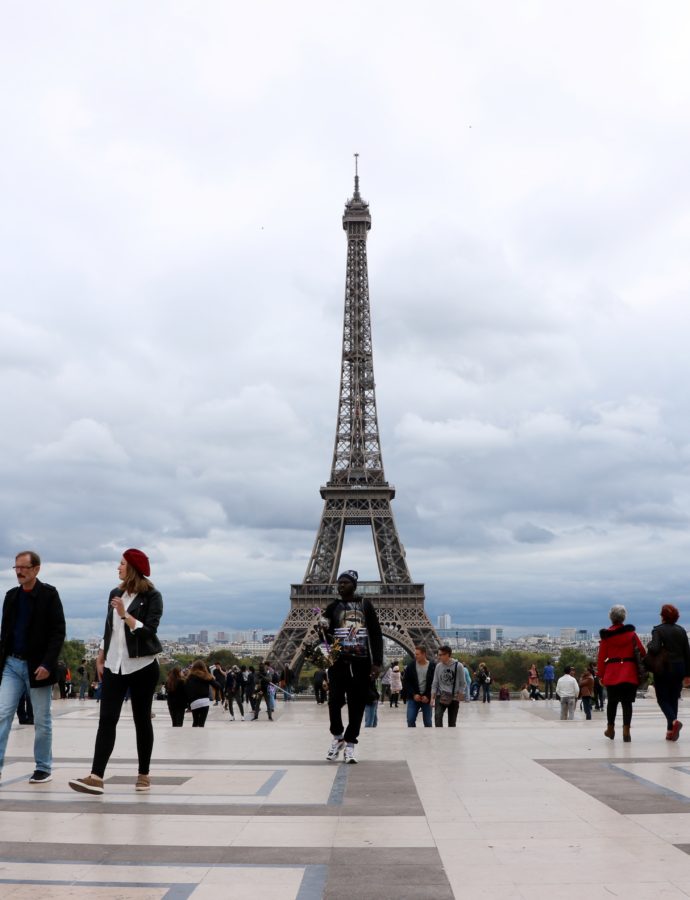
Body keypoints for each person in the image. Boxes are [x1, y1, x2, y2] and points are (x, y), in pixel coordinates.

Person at [69, 549, 162, 795]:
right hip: (114, 665)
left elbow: (149, 630)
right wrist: (100, 656)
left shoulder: (152, 596)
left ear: (131, 567)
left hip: (142, 666)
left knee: (142, 720)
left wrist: (125, 615)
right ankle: (96, 776)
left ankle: (143, 774)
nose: (118, 568)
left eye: (121, 564)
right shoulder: (115, 593)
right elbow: (109, 627)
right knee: (107, 720)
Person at [0, 550, 66, 784]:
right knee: (2, 714)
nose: (19, 572)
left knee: (41, 718)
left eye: (24, 568)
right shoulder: (11, 596)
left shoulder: (49, 595)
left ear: (36, 569)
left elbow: (58, 633)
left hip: (38, 667)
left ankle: (43, 767)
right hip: (12, 665)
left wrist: (48, 663)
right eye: (16, 567)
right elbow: (5, 633)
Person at [324, 570, 383, 764]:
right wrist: (321, 631)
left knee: (357, 706)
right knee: (334, 701)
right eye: (339, 582)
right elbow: (324, 638)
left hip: (361, 664)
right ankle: (337, 737)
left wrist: (377, 663)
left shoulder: (366, 606)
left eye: (345, 583)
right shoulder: (332, 607)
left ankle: (350, 744)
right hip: (338, 663)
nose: (341, 585)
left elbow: (375, 634)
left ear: (354, 585)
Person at [597, 604, 646, 742]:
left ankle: (611, 729)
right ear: (624, 617)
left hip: (612, 673)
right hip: (629, 672)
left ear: (611, 618)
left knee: (612, 703)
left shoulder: (606, 636)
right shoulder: (631, 634)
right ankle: (626, 731)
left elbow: (601, 657)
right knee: (627, 703)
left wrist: (600, 675)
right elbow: (642, 651)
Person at [647, 603, 690, 741]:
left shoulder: (658, 630)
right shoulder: (682, 631)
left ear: (663, 616)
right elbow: (687, 653)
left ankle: (673, 722)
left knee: (662, 699)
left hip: (664, 668)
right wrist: (688, 674)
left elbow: (654, 649)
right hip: (679, 668)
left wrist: (649, 645)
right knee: (673, 699)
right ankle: (670, 731)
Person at [402, 646, 436, 727]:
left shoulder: (432, 666)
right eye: (415, 654)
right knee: (410, 719)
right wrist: (414, 694)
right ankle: (413, 738)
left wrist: (428, 696)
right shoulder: (411, 666)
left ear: (424, 654)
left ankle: (427, 739)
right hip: (413, 698)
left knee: (428, 722)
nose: (415, 656)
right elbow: (406, 682)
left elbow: (435, 683)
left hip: (426, 699)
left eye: (417, 654)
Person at [431, 646, 463, 727]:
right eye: (438, 655)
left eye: (441, 655)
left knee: (452, 722)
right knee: (437, 717)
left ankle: (450, 739)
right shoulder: (438, 666)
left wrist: (460, 695)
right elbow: (435, 682)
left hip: (454, 696)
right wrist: (432, 697)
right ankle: (439, 737)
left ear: (448, 655)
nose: (439, 657)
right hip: (440, 695)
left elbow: (462, 682)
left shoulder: (458, 666)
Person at [185, 660, 215, 726]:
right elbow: (217, 685)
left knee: (195, 722)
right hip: (205, 701)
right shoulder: (207, 676)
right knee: (202, 723)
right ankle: (201, 735)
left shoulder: (190, 677)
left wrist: (188, 703)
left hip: (194, 702)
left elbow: (186, 690)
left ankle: (194, 735)